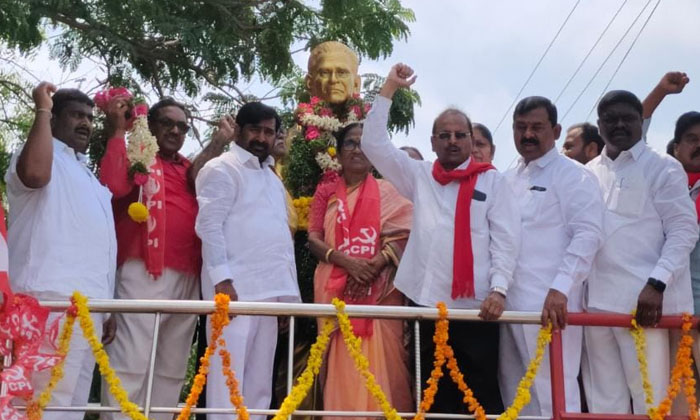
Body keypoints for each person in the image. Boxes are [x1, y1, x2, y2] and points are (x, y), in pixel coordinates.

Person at [361, 63, 521, 414]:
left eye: (459, 135)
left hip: (478, 308)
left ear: (470, 140)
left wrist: (498, 290)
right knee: (431, 395)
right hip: (426, 303)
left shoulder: (494, 183)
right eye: (444, 135)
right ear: (432, 141)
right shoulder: (418, 175)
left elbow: (506, 241)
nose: (452, 141)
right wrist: (388, 88)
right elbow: (372, 143)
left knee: (478, 396)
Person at [98, 97, 234, 419]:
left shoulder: (188, 168)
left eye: (182, 126)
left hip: (187, 276)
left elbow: (199, 175)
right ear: (151, 126)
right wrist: (118, 131)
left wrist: (218, 143)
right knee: (131, 362)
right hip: (142, 271)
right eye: (167, 123)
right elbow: (113, 184)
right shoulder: (139, 158)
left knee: (171, 368)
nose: (175, 130)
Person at [4, 82, 117, 420]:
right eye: (75, 115)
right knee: (37, 407)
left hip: (90, 308)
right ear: (53, 119)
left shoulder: (88, 177)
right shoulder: (36, 158)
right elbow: (36, 174)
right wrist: (42, 108)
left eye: (89, 117)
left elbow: (100, 246)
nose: (85, 123)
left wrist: (107, 306)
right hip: (47, 302)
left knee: (71, 408)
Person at [583, 90, 698, 414]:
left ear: (640, 121)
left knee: (652, 403)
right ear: (599, 124)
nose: (619, 125)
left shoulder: (663, 167)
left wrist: (656, 284)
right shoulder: (589, 171)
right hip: (595, 307)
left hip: (644, 306)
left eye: (628, 118)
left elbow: (684, 230)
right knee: (604, 405)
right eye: (611, 119)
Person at [195, 102, 301, 420]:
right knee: (227, 383)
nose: (262, 137)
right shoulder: (221, 168)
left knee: (259, 387)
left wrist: (287, 298)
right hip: (234, 292)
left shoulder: (271, 177)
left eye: (269, 132)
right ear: (238, 130)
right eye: (255, 129)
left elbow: (279, 241)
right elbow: (209, 227)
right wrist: (222, 280)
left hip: (270, 295)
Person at [500, 96, 604, 417]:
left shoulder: (574, 176)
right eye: (520, 128)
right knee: (515, 392)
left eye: (537, 127)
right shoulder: (508, 176)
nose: (527, 135)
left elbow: (588, 235)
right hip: (509, 305)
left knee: (554, 393)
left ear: (556, 131)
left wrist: (561, 288)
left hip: (551, 304)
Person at [307, 123, 413, 419]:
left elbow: (405, 235)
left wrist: (373, 265)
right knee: (343, 363)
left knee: (384, 371)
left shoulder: (389, 191)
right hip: (335, 292)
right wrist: (347, 263)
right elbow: (313, 239)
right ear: (339, 153)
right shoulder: (326, 191)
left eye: (364, 144)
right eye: (351, 143)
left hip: (379, 297)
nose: (358, 149)